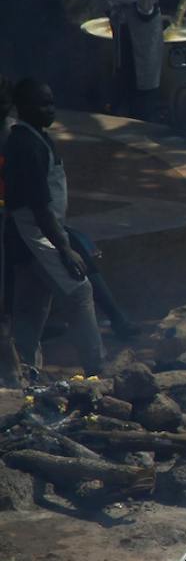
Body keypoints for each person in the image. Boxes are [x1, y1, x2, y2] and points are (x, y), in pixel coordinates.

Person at [4, 79, 106, 384]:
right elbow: (39, 207)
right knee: (79, 292)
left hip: (39, 231)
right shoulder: (25, 145)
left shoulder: (37, 138)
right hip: (34, 232)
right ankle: (96, 368)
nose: (50, 110)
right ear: (23, 108)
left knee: (32, 303)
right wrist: (64, 248)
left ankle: (24, 370)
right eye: (42, 104)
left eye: (51, 103)